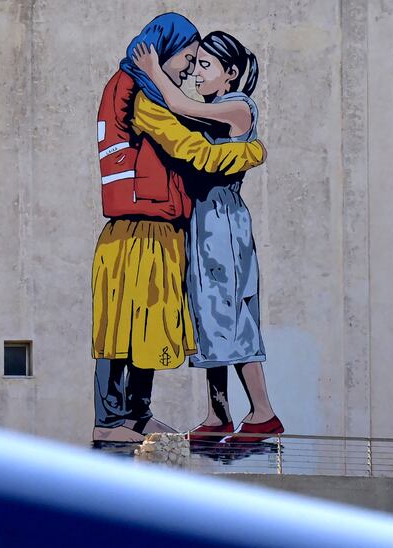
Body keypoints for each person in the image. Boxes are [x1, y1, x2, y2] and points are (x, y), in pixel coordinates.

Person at [93, 15, 266, 443]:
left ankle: (135, 414)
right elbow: (190, 150)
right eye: (188, 60)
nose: (190, 70)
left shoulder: (145, 92)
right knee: (123, 328)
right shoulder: (139, 96)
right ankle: (111, 419)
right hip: (138, 228)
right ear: (162, 51)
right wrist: (250, 152)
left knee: (147, 326)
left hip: (158, 228)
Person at [132, 31, 283, 443]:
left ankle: (263, 411)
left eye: (205, 65)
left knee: (233, 318)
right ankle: (219, 414)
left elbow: (178, 105)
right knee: (210, 321)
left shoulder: (238, 108)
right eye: (194, 63)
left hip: (224, 223)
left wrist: (151, 72)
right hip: (202, 223)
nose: (196, 73)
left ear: (230, 73)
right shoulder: (212, 110)